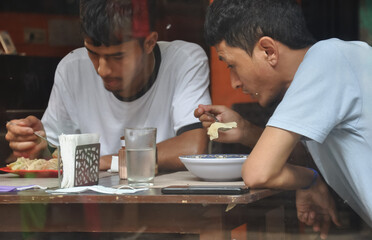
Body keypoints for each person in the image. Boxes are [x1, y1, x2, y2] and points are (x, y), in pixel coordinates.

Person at [195, 0, 372, 239]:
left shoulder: (327, 58)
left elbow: (258, 173)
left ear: (268, 51)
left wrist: (309, 181)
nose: (234, 82)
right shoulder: (332, 64)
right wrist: (245, 130)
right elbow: (309, 157)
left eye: (232, 65)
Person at [5, 0, 211, 172]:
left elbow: (192, 146)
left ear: (149, 43)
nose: (102, 70)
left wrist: (106, 161)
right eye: (92, 53)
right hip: (93, 211)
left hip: (167, 210)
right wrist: (37, 145)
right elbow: (53, 156)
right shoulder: (72, 69)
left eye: (117, 56)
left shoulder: (184, 60)